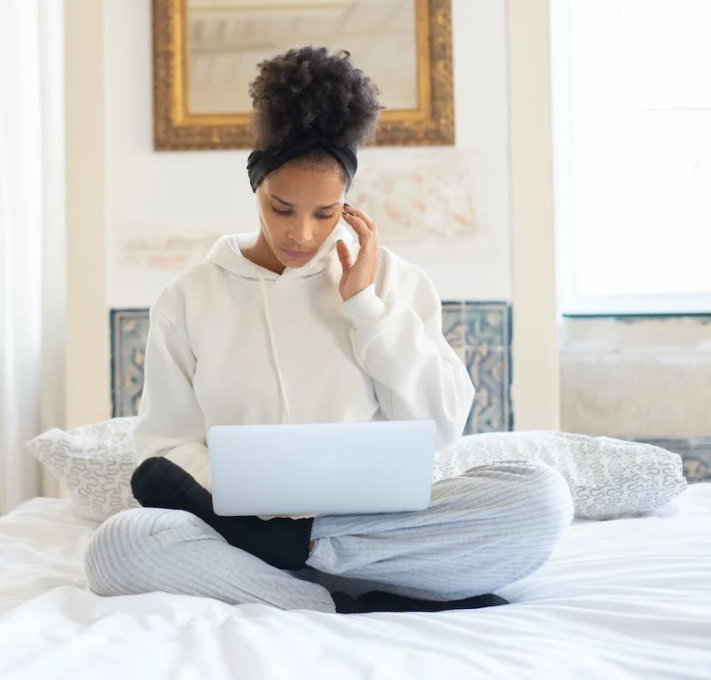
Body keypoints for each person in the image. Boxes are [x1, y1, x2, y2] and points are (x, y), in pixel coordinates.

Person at [84, 47, 572, 614]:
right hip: (239, 530)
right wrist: (247, 500)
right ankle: (334, 597)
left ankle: (298, 562)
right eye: (282, 207)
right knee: (118, 548)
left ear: (349, 203)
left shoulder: (392, 281)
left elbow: (441, 426)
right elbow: (164, 450)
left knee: (540, 498)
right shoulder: (188, 299)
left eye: (326, 212)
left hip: (375, 527)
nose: (302, 234)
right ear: (255, 186)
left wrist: (366, 306)